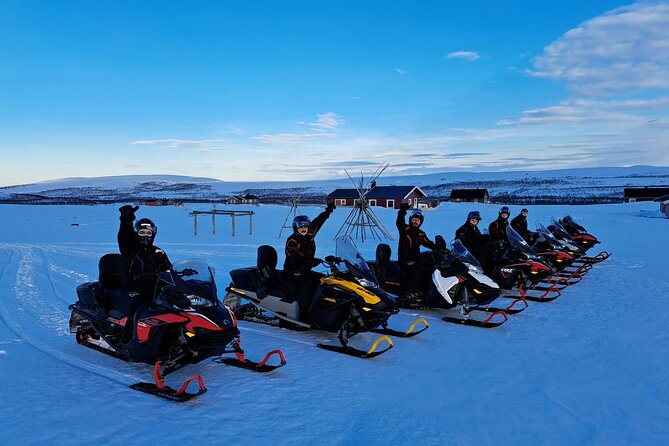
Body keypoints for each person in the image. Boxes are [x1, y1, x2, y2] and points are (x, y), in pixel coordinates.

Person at [117, 205, 172, 341]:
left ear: (153, 234)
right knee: (139, 306)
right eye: (142, 233)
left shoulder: (159, 252)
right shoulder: (130, 250)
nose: (145, 236)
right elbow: (124, 238)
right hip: (134, 287)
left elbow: (169, 269)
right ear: (136, 234)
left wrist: (182, 273)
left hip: (156, 287)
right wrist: (126, 221)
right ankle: (128, 338)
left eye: (148, 233)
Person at [283, 202, 335, 320]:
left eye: (305, 227)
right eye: (301, 227)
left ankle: (322, 311)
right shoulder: (292, 240)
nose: (303, 229)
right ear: (296, 227)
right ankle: (303, 317)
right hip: (292, 272)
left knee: (324, 280)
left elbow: (318, 221)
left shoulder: (310, 235)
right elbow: (292, 254)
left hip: (305, 270)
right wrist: (307, 261)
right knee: (307, 286)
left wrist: (328, 211)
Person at [396, 203, 437, 305]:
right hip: (405, 259)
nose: (415, 222)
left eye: (418, 221)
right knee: (421, 269)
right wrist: (402, 211)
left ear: (420, 222)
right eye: (414, 220)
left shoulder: (420, 233)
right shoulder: (405, 229)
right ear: (410, 220)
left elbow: (429, 243)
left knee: (430, 266)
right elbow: (399, 222)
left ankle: (424, 291)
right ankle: (411, 292)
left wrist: (439, 248)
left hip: (415, 258)